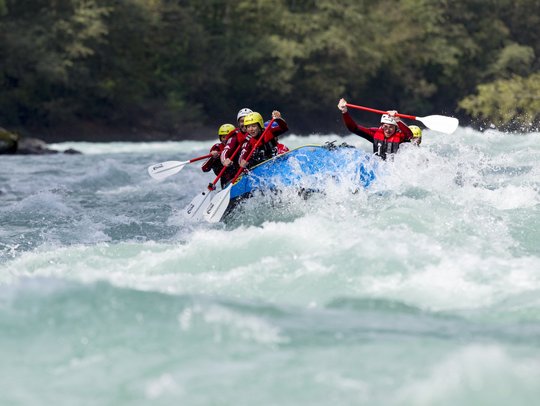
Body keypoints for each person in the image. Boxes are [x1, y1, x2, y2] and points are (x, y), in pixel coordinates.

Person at [337, 98, 413, 160]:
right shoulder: (375, 133)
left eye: (391, 127)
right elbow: (353, 128)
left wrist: (397, 120)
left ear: (396, 127)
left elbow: (410, 136)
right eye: (385, 126)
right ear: (382, 125)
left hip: (395, 171)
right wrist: (344, 112)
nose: (387, 130)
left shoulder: (400, 135)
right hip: (380, 170)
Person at [202, 123, 236, 187]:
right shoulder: (217, 148)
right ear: (220, 138)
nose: (226, 139)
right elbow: (204, 168)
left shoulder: (239, 145)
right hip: (226, 180)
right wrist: (212, 157)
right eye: (223, 137)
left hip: (240, 174)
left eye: (228, 136)